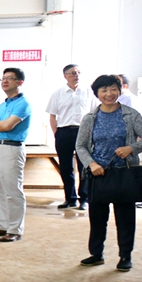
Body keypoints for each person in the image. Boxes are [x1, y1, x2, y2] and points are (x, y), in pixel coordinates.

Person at [75, 75, 142, 271]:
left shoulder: (130, 115)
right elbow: (81, 146)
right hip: (98, 174)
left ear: (119, 91)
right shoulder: (90, 118)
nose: (109, 94)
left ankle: (125, 256)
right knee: (97, 218)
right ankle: (96, 254)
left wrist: (131, 148)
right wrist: (91, 164)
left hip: (124, 174)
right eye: (104, 90)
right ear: (97, 94)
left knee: (125, 218)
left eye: (113, 89)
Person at [0, 68, 32, 243]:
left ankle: (15, 229)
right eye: (3, 78)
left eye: (10, 78)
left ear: (20, 82)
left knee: (12, 190)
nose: (5, 81)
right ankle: (2, 225)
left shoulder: (23, 103)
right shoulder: (2, 105)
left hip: (12, 148)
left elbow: (7, 126)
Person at [46, 64, 95, 210]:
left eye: (79, 72)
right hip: (64, 132)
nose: (76, 75)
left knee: (84, 166)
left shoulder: (88, 92)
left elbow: (95, 113)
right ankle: (70, 198)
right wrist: (56, 133)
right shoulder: (58, 93)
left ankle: (84, 199)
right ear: (65, 76)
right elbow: (52, 116)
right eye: (73, 73)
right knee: (66, 167)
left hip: (83, 132)